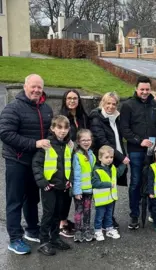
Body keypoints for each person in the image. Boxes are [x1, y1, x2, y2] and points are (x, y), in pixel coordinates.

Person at [0, 74, 53, 254]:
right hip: (17, 160)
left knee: (32, 198)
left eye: (39, 87)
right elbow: (6, 133)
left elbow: (50, 132)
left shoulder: (46, 108)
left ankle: (32, 229)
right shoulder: (13, 108)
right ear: (25, 87)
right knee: (14, 200)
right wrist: (34, 144)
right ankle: (15, 238)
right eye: (33, 86)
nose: (37, 90)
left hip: (35, 163)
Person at [120, 76, 156, 230]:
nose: (145, 92)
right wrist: (139, 140)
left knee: (153, 182)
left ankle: (154, 212)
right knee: (136, 183)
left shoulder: (155, 105)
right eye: (142, 89)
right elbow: (124, 129)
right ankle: (134, 215)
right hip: (136, 151)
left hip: (153, 151)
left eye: (147, 89)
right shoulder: (128, 105)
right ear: (136, 89)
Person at [32, 115, 72, 256]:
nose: (62, 131)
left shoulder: (68, 145)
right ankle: (44, 241)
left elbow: (70, 164)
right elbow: (36, 165)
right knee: (48, 214)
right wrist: (43, 183)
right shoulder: (46, 145)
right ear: (52, 128)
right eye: (59, 128)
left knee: (58, 213)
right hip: (49, 187)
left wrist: (69, 179)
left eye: (65, 128)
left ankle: (54, 238)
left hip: (62, 186)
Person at [90, 92, 129, 229]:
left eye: (114, 104)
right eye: (108, 103)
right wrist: (121, 156)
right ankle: (101, 223)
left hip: (115, 158)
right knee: (103, 191)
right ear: (103, 103)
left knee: (112, 190)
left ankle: (109, 218)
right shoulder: (96, 118)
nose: (111, 106)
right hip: (106, 158)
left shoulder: (116, 117)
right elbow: (103, 141)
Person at [58, 89, 90, 238]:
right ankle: (62, 222)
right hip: (66, 159)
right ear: (65, 100)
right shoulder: (61, 118)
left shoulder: (83, 117)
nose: (72, 101)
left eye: (75, 98)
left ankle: (73, 221)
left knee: (77, 191)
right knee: (65, 192)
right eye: (69, 98)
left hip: (80, 159)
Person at [91, 145, 125, 241]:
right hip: (101, 199)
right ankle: (97, 230)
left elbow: (118, 173)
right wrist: (109, 184)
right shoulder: (97, 170)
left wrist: (124, 164)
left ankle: (109, 228)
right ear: (100, 158)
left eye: (111, 157)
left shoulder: (112, 168)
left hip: (111, 198)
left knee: (109, 214)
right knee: (100, 215)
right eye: (106, 157)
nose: (109, 160)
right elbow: (95, 183)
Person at [72, 129, 96, 243]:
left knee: (87, 210)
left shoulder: (92, 154)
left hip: (90, 190)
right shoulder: (77, 156)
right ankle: (78, 230)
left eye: (88, 139)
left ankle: (86, 228)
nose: (86, 142)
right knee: (79, 211)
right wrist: (77, 191)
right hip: (80, 191)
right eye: (83, 140)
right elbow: (76, 175)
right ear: (78, 141)